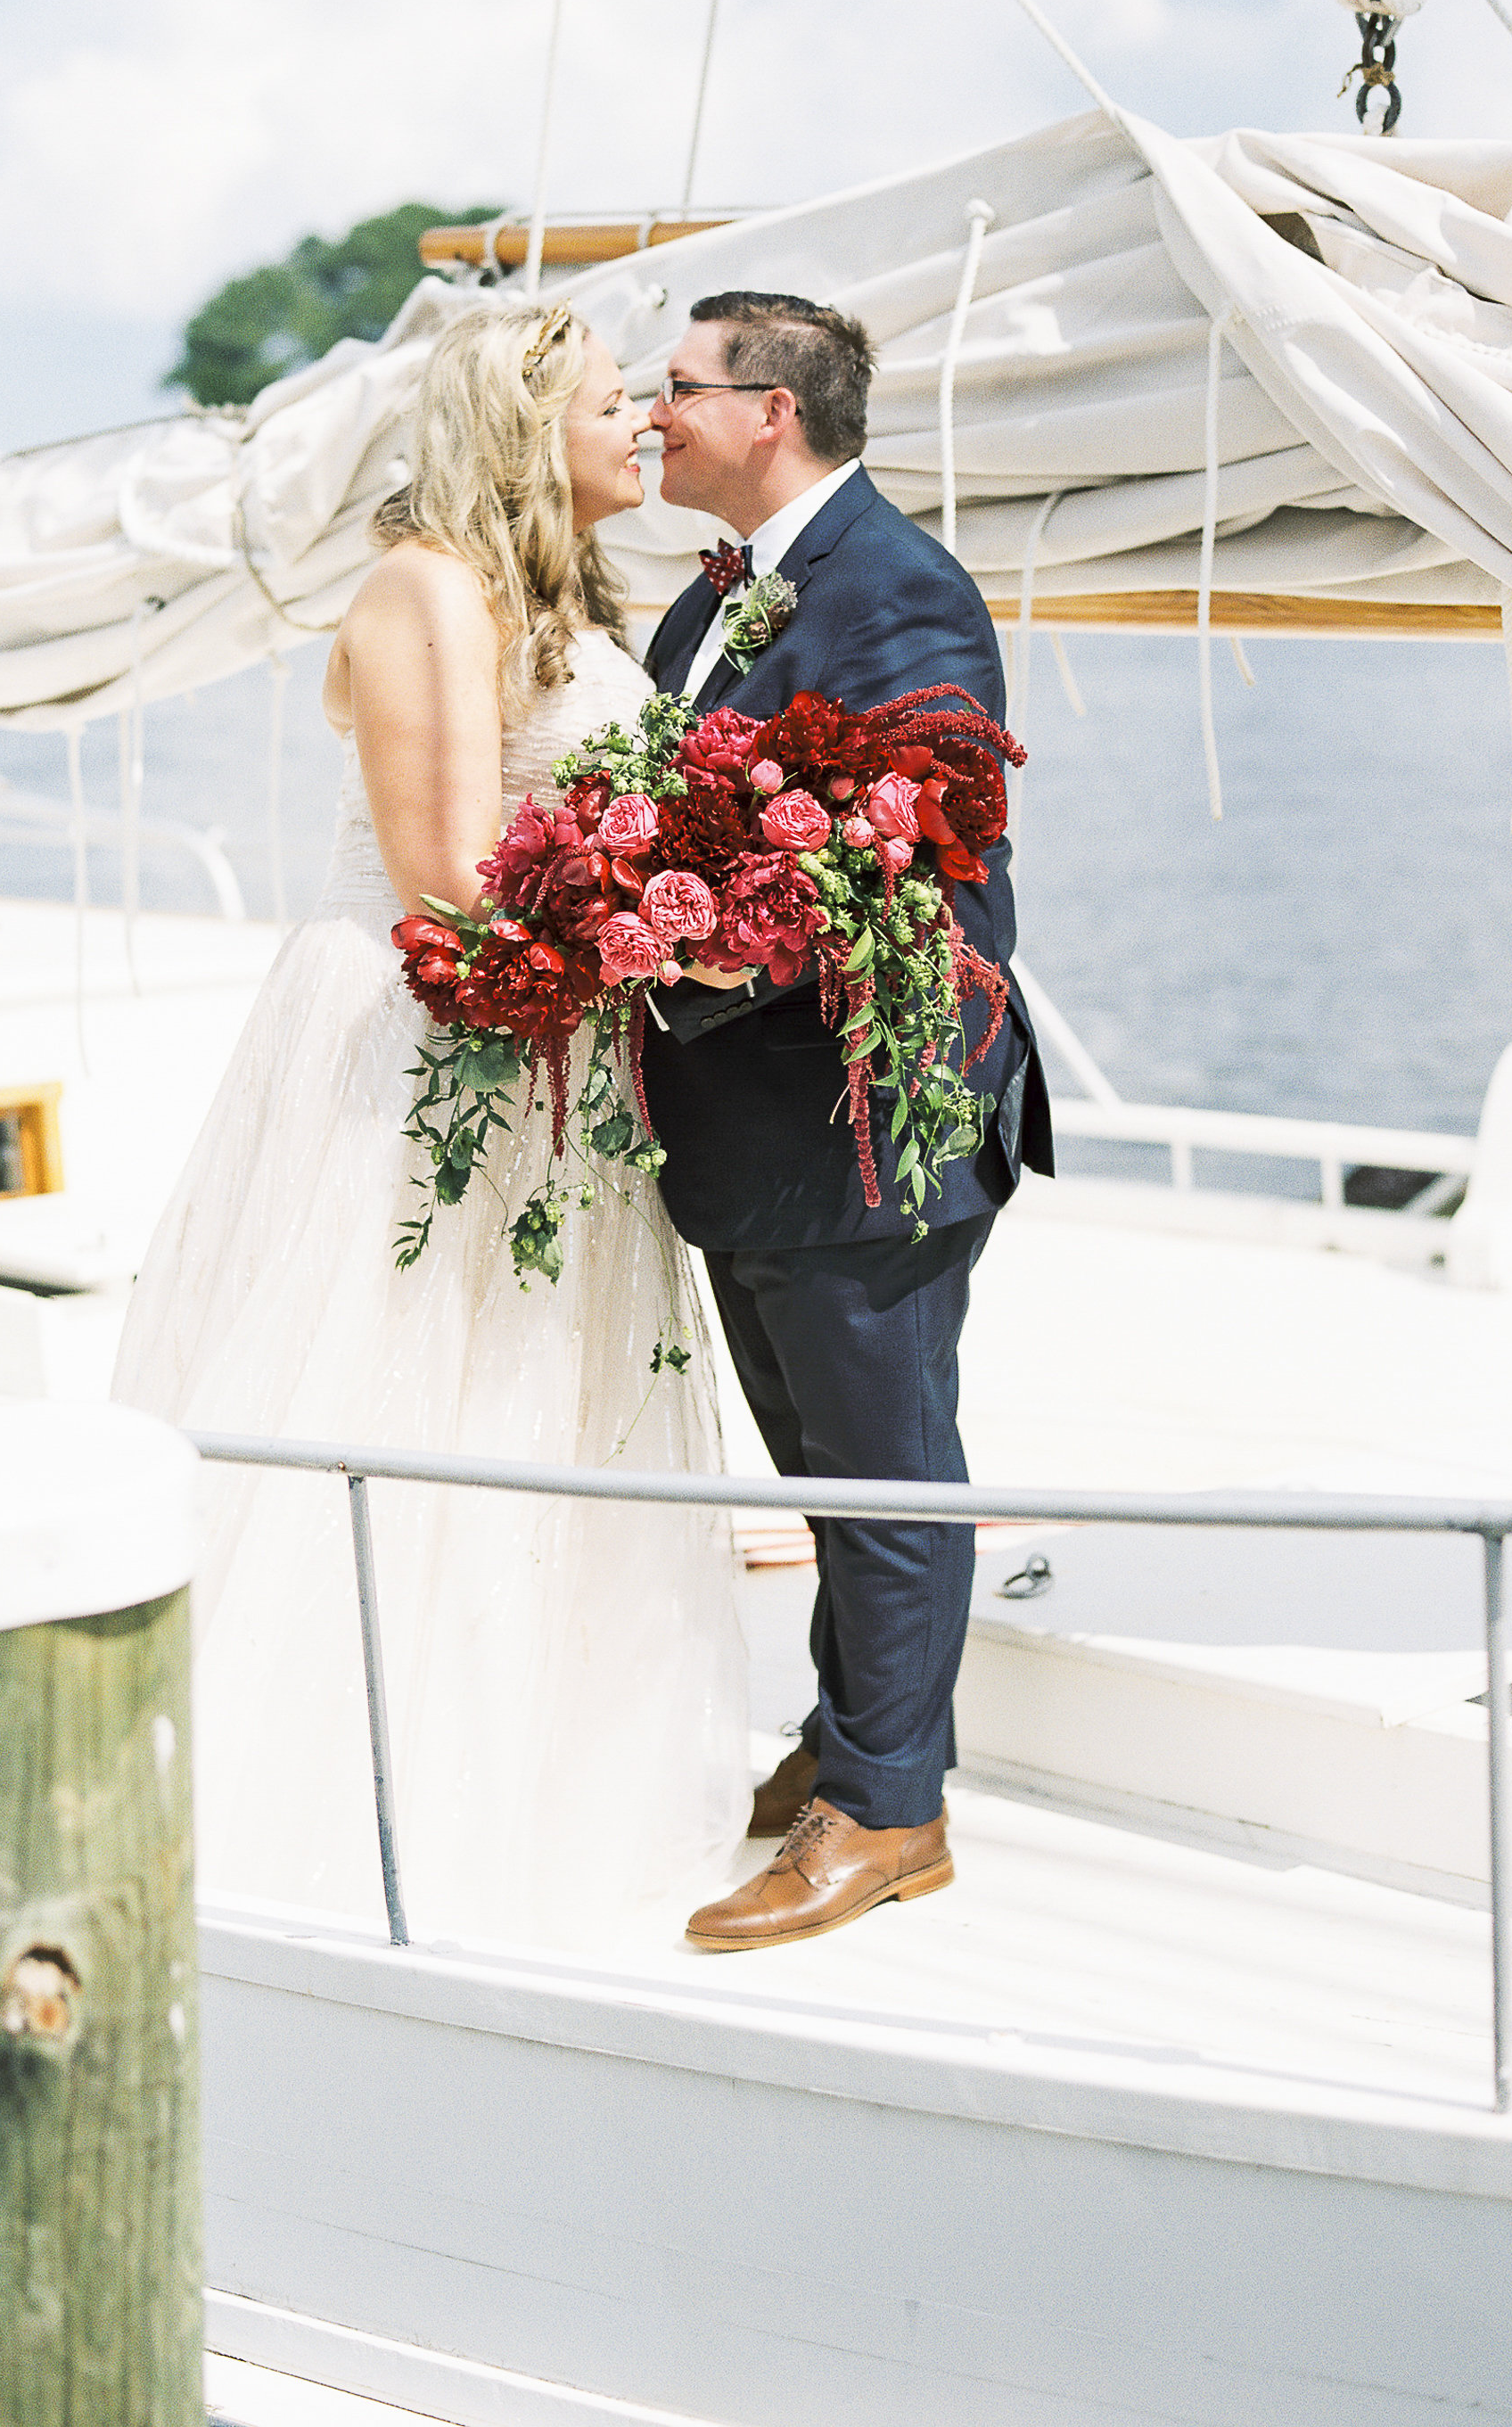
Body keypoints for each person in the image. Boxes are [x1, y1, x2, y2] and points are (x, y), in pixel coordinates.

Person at [112, 300, 747, 1947]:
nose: (645, 428)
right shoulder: (426, 590)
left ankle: (543, 1785)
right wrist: (645, 930)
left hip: (554, 1042)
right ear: (529, 431)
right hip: (425, 1032)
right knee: (406, 1372)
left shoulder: (556, 597)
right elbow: (447, 876)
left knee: (542, 1396)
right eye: (619, 404)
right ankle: (336, 1814)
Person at [639, 290, 1055, 1952]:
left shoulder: (897, 593)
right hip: (750, 1126)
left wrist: (646, 966)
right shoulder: (710, 605)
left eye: (674, 387)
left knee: (885, 1478)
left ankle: (891, 1814)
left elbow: (890, 869)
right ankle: (849, 1739)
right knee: (817, 1472)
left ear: (769, 412)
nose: (648, 411)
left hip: (865, 1119)